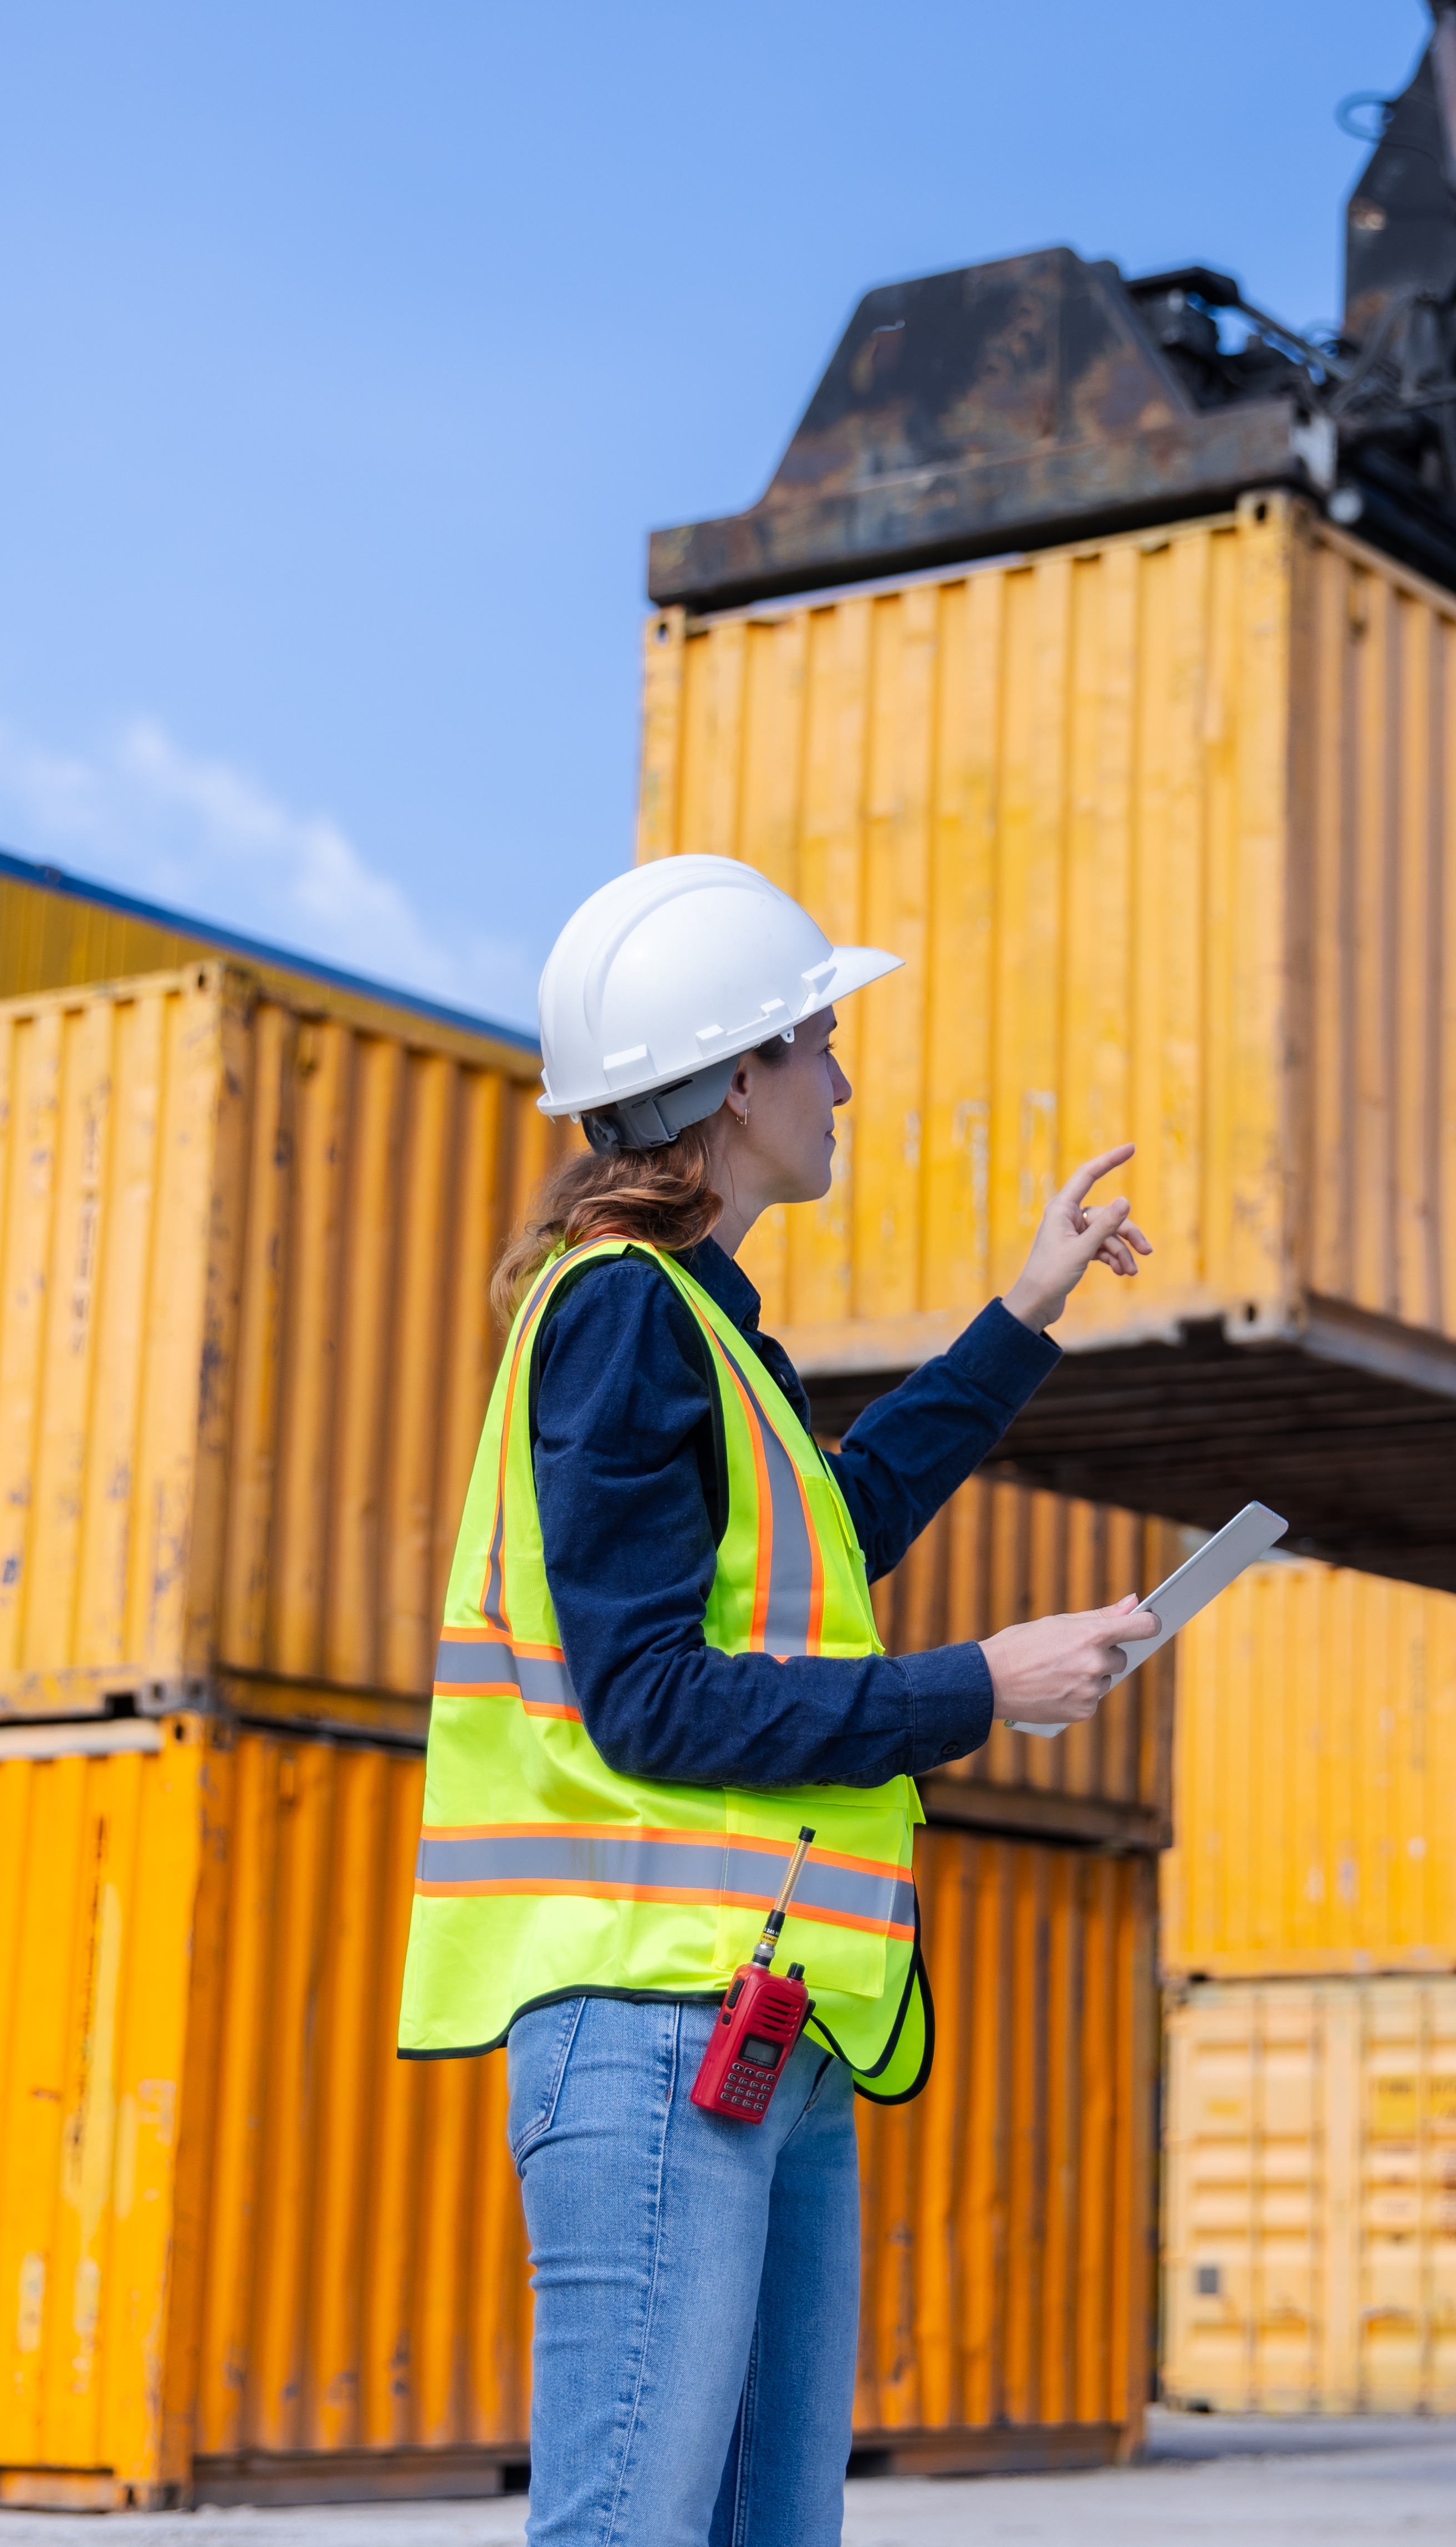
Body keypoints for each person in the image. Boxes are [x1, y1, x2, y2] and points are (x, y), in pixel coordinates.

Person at [400, 853, 1161, 2547]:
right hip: (653, 2018)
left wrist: (1026, 1311)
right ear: (733, 1083)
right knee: (632, 2530)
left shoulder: (702, 1329)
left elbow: (849, 1518)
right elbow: (652, 1704)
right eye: (816, 1041)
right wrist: (976, 1685)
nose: (841, 1077)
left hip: (765, 2021)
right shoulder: (619, 1324)